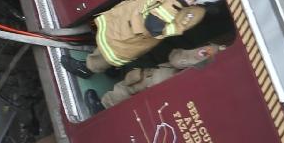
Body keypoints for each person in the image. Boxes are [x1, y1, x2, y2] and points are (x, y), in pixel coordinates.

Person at [65, 0, 225, 75]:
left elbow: (155, 28)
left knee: (107, 53)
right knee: (106, 36)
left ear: (197, 0)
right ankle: (109, 67)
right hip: (127, 14)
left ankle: (86, 69)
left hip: (132, 36)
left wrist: (177, 5)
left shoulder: (193, 13)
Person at [92, 42, 227, 109]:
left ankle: (103, 106)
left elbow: (178, 60)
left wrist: (176, 51)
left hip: (165, 79)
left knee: (129, 87)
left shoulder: (213, 52)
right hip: (181, 98)